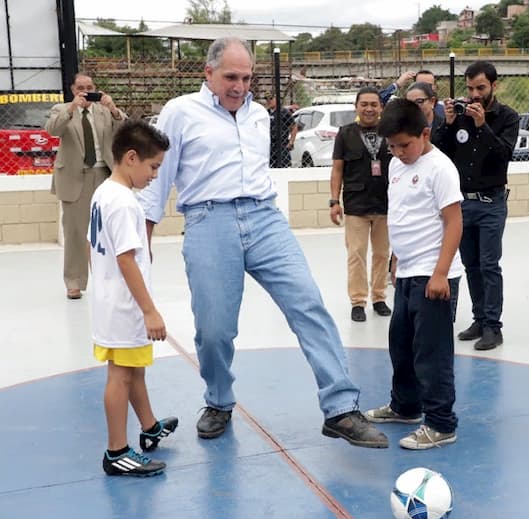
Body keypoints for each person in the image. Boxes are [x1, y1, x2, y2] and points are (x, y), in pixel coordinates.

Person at [136, 37, 387, 448]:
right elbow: (158, 179)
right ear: (209, 73)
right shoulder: (180, 113)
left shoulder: (257, 114)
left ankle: (341, 407)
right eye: (231, 77)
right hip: (207, 220)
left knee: (309, 304)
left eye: (246, 77)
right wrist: (143, 240)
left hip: (264, 217)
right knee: (215, 329)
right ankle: (218, 400)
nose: (239, 86)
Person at [363, 99, 463, 450]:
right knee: (401, 345)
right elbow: (403, 214)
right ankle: (406, 406)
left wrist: (440, 273)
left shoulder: (440, 168)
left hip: (433, 276)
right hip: (406, 272)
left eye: (404, 145)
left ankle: (440, 423)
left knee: (431, 353)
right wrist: (394, 258)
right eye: (392, 146)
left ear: (425, 132)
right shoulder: (395, 166)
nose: (398, 152)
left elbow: (454, 223)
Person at [90, 119, 177, 477]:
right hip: (125, 306)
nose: (155, 175)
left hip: (111, 301)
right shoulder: (124, 203)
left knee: (133, 369)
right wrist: (150, 310)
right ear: (130, 158)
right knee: (121, 375)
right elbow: (126, 259)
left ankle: (149, 425)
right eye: (153, 166)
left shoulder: (103, 192)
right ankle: (116, 451)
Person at [440, 61, 519, 351]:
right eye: (470, 88)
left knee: (489, 265)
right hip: (462, 203)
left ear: (493, 86)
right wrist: (447, 124)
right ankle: (478, 319)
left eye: (480, 88)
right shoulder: (459, 116)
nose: (474, 94)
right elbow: (439, 153)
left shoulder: (507, 117)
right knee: (471, 265)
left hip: (491, 202)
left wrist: (482, 125)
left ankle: (492, 327)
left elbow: (504, 155)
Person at [46, 73, 125, 300]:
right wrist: (72, 108)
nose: (85, 91)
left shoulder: (103, 110)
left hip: (104, 175)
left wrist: (114, 109)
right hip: (75, 177)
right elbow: (52, 129)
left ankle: (108, 279)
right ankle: (74, 282)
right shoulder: (61, 110)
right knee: (75, 232)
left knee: (107, 232)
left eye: (89, 87)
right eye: (80, 87)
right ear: (72, 89)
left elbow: (125, 128)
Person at [329, 87, 392, 322]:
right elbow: (337, 170)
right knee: (356, 254)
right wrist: (334, 201)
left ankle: (379, 298)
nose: (369, 109)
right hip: (356, 204)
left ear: (381, 107)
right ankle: (358, 301)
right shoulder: (345, 134)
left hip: (385, 203)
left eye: (373, 104)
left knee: (382, 254)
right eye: (364, 104)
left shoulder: (391, 132)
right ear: (356, 107)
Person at [406, 81, 447, 149]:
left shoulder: (444, 125)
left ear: (432, 101)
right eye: (409, 103)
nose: (413, 107)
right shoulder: (402, 128)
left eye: (419, 101)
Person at [265, 93, 297, 168]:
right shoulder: (266, 113)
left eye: (271, 99)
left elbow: (294, 127)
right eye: (267, 99)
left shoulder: (284, 112)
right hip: (269, 146)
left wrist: (291, 142)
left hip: (282, 144)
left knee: (284, 166)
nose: (269, 101)